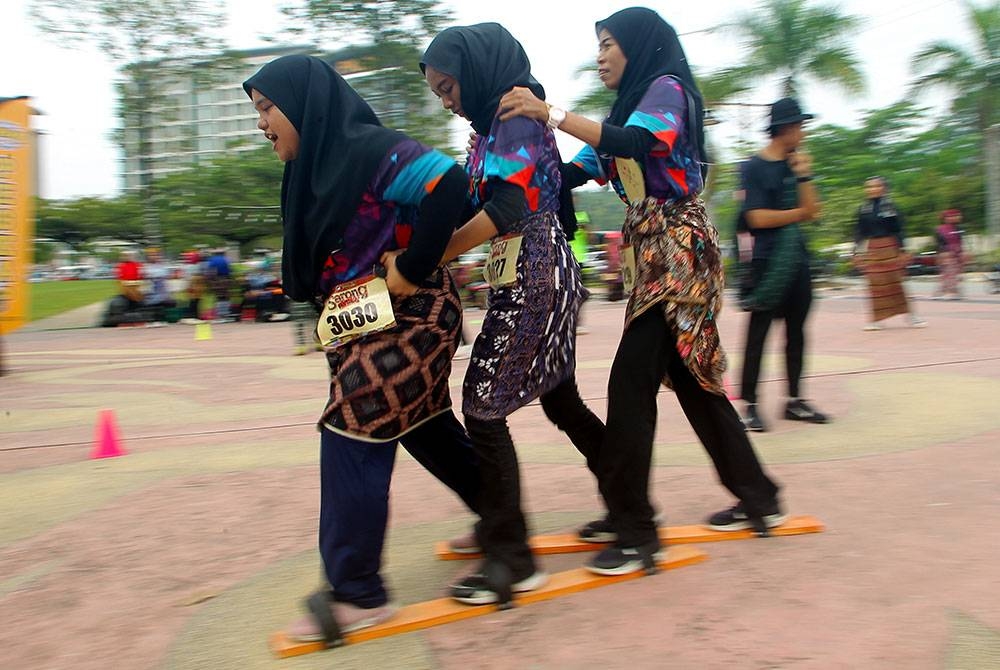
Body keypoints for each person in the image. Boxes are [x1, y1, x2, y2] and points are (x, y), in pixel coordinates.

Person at [498, 7, 786, 576]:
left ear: (640, 45)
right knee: (693, 380)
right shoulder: (628, 104)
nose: (600, 55)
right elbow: (578, 169)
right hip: (652, 254)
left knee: (630, 383)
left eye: (608, 43)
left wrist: (549, 112)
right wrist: (518, 146)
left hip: (679, 249)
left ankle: (634, 531)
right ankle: (759, 496)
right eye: (598, 45)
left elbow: (637, 141)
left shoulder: (666, 89)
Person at [243, 54, 483, 642]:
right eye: (257, 112)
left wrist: (416, 262)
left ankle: (356, 592)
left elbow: (448, 183)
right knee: (422, 424)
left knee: (353, 423)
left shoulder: (371, 151)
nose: (262, 123)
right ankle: (503, 513)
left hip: (414, 315)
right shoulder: (308, 173)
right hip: (362, 324)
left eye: (268, 108)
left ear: (305, 107)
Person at [418, 22, 606, 603]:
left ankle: (513, 556)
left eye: (449, 87)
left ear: (475, 72)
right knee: (561, 400)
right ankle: (628, 503)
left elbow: (509, 203)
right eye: (438, 93)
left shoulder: (515, 116)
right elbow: (481, 196)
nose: (447, 101)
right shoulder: (486, 132)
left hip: (539, 276)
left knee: (481, 403)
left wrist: (430, 255)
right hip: (518, 277)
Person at [736, 97, 829, 432]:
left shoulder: (796, 166)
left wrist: (805, 176)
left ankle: (795, 400)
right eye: (800, 126)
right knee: (758, 335)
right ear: (786, 129)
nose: (803, 133)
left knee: (797, 333)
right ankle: (749, 405)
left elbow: (814, 211)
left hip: (798, 260)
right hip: (767, 262)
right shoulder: (752, 167)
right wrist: (798, 215)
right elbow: (756, 218)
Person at [853, 176, 925, 330]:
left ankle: (911, 316)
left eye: (875, 186)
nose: (871, 189)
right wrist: (856, 252)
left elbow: (899, 230)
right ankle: (876, 320)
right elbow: (859, 232)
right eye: (868, 187)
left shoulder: (891, 207)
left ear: (883, 188)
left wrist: (903, 250)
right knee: (875, 284)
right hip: (872, 249)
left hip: (890, 247)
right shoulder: (863, 209)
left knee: (896, 282)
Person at [935, 209, 965, 300]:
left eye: (958, 216)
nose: (957, 218)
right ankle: (949, 291)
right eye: (954, 216)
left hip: (957, 253)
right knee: (948, 271)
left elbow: (960, 241)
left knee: (956, 272)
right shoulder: (940, 229)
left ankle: (949, 290)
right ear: (946, 218)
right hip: (946, 253)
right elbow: (939, 243)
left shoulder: (959, 229)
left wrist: (962, 252)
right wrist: (942, 253)